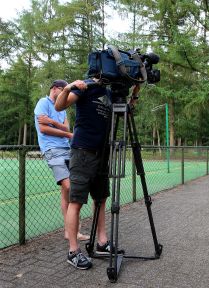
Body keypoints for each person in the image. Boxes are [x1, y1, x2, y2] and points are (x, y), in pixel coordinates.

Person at [55, 78, 139, 270]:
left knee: (100, 200)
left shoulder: (108, 94)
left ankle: (102, 243)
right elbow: (60, 106)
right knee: (75, 202)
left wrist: (134, 93)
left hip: (102, 155)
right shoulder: (85, 87)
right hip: (82, 152)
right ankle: (73, 251)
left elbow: (125, 114)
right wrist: (68, 87)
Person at [34, 79, 90, 241]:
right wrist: (64, 132)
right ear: (55, 89)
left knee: (66, 192)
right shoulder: (43, 102)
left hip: (67, 149)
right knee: (71, 187)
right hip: (52, 150)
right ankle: (75, 231)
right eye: (64, 89)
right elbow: (43, 129)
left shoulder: (62, 107)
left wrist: (52, 122)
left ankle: (69, 231)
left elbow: (66, 127)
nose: (67, 93)